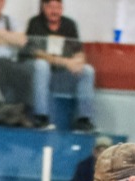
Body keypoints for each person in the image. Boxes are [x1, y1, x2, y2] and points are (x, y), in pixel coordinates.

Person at [24, 0, 95, 132]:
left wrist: (78, 62)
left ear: (62, 8)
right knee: (42, 65)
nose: (54, 11)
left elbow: (78, 51)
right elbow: (36, 53)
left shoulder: (69, 24)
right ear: (43, 8)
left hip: (61, 70)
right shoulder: (35, 23)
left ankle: (84, 119)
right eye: (50, 7)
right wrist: (66, 62)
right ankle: (41, 117)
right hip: (36, 68)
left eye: (57, 7)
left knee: (87, 71)